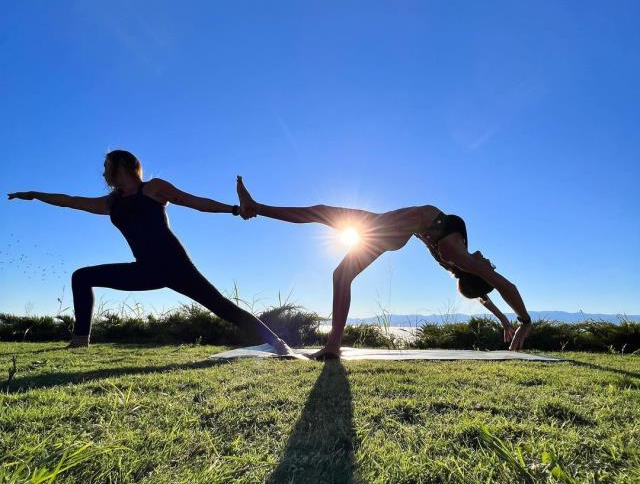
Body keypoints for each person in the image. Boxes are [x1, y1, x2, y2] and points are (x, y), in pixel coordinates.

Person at [7, 150, 302, 357]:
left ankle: (277, 342)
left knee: (221, 306)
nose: (103, 172)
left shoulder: (154, 188)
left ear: (122, 166)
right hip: (145, 268)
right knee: (82, 277)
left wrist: (235, 210)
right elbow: (70, 201)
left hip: (175, 264)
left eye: (107, 166)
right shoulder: (111, 203)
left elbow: (194, 202)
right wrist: (34, 195)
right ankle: (80, 339)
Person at [236, 176, 532, 359]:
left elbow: (505, 285)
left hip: (394, 229)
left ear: (476, 272)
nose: (489, 262)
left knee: (324, 214)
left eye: (488, 266)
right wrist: (504, 322)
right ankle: (334, 345)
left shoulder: (457, 254)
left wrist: (524, 320)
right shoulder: (459, 261)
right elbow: (482, 294)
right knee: (340, 271)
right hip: (393, 229)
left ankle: (257, 208)